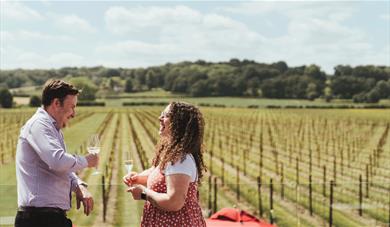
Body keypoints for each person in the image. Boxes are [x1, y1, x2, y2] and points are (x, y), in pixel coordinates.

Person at [15, 79, 99, 227]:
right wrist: (87, 160)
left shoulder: (52, 128)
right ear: (56, 103)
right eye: (72, 107)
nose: (74, 113)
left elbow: (60, 166)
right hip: (39, 219)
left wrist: (78, 185)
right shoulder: (38, 126)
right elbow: (57, 161)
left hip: (50, 218)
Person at [124, 101, 207, 227]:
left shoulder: (179, 159)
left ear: (179, 122)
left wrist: (143, 193)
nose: (160, 118)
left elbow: (174, 202)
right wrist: (138, 178)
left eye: (166, 115)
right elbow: (164, 179)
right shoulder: (173, 155)